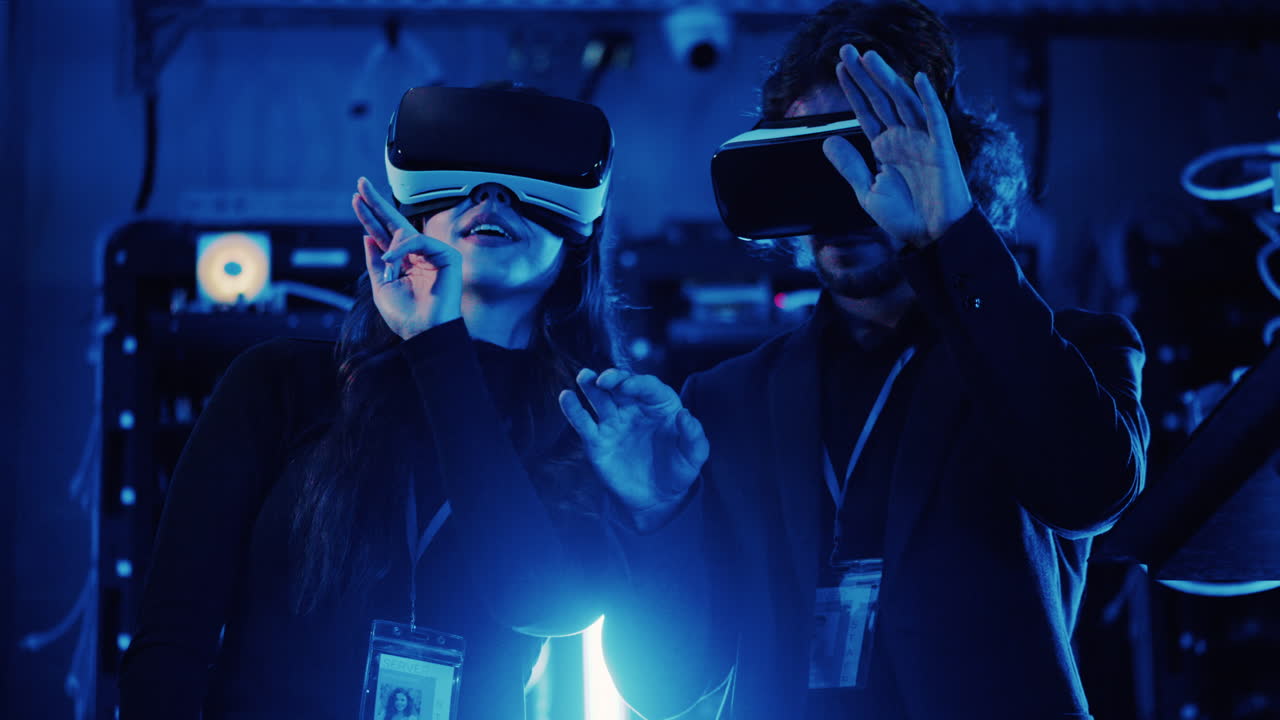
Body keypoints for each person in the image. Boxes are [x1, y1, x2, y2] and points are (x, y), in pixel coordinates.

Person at [563, 2, 1150, 719]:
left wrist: (952, 232)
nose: (843, 195)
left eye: (870, 152)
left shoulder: (1069, 352)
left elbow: (1090, 491)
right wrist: (657, 518)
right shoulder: (727, 401)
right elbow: (666, 686)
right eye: (808, 163)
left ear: (947, 159)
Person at [118, 83, 633, 720]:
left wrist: (439, 345)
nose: (493, 197)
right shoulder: (277, 383)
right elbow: (172, 639)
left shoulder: (590, 428)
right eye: (467, 177)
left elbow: (543, 602)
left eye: (529, 181)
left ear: (578, 240)